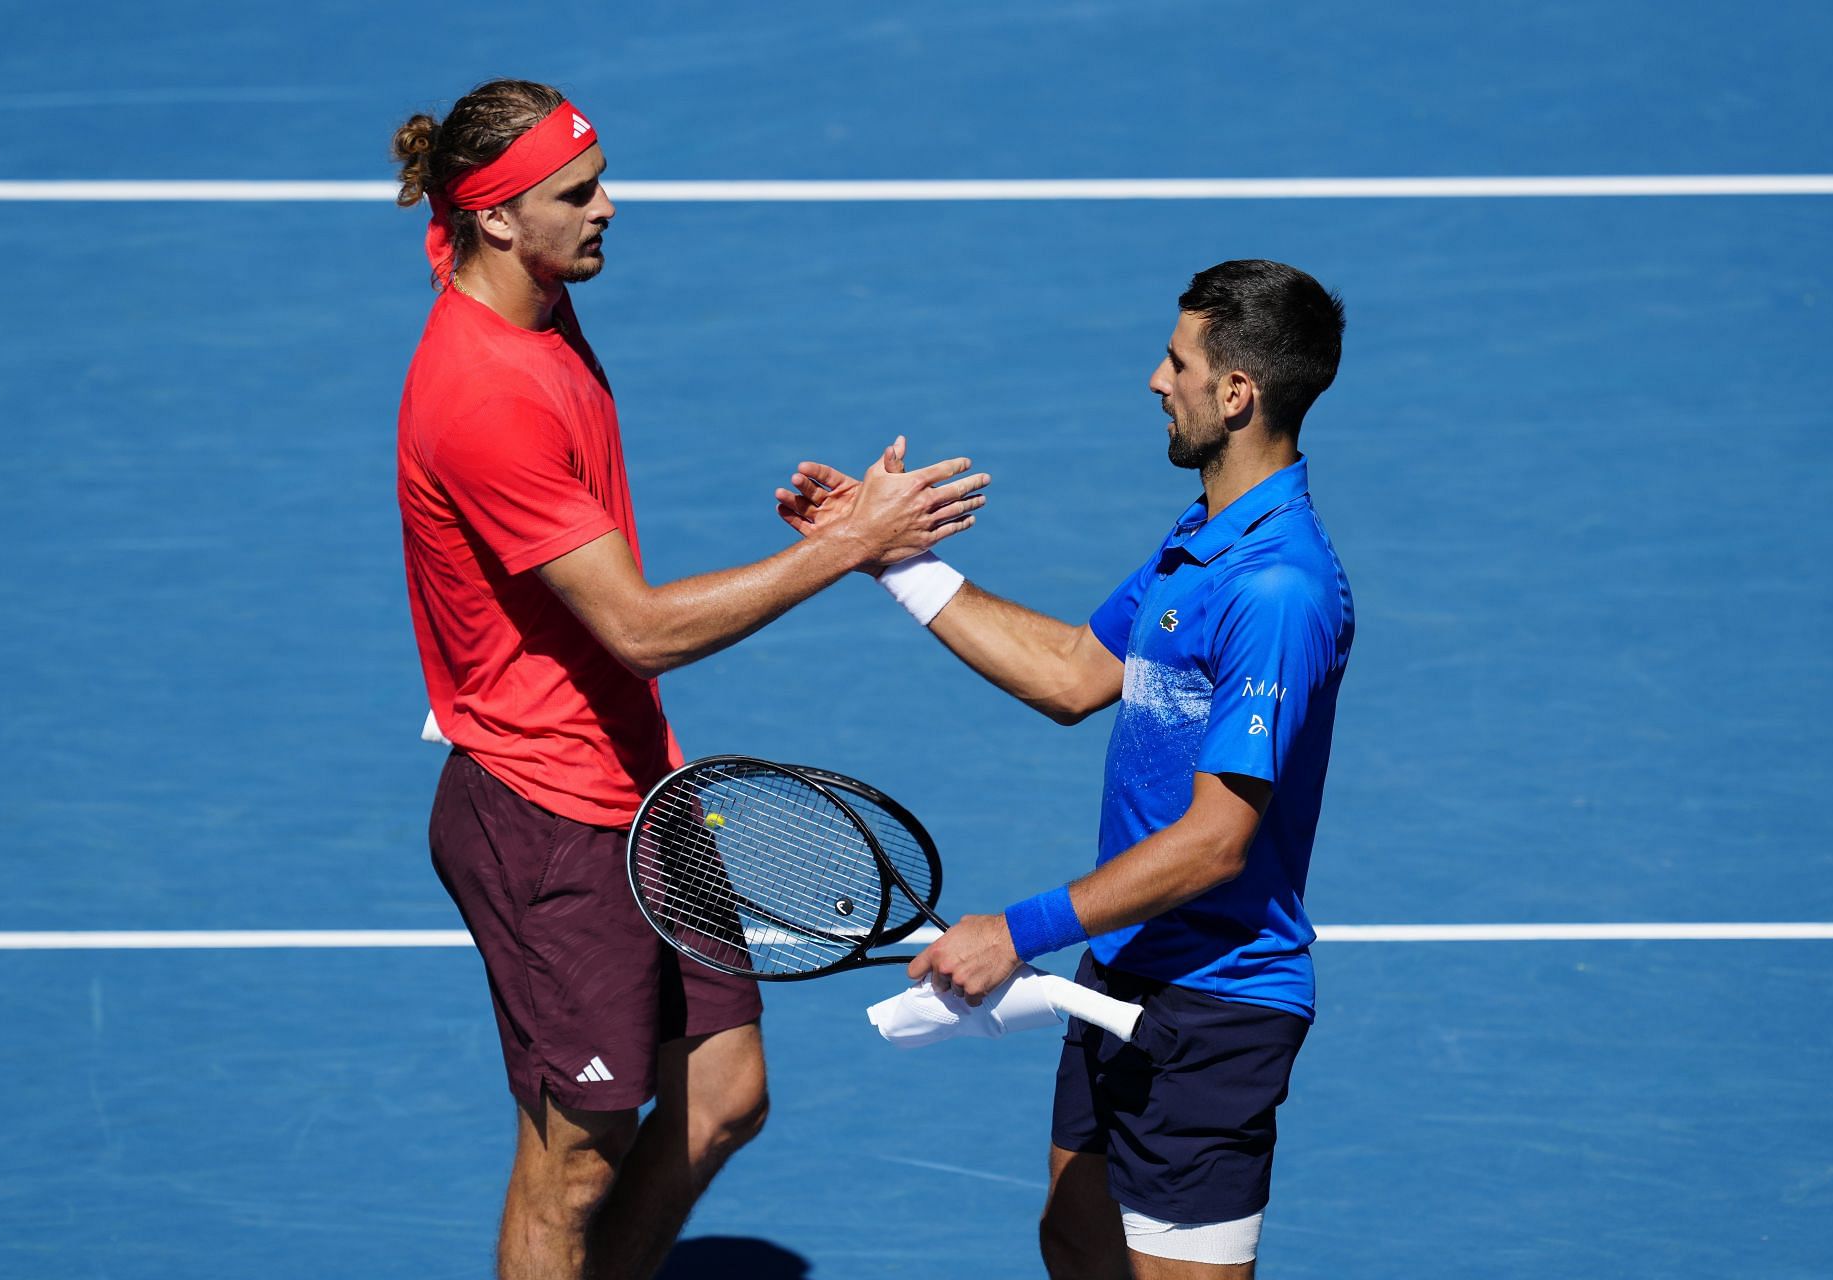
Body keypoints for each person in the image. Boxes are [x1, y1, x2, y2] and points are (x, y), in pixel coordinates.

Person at [390, 79, 988, 1280]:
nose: (611, 205)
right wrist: (846, 544)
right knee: (573, 1165)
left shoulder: (533, 290)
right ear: (498, 218)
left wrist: (822, 533)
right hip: (545, 815)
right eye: (579, 192)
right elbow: (643, 631)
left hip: (638, 782)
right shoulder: (485, 394)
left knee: (721, 1094)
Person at [778, 260, 1351, 1278]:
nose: (1153, 379)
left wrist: (1017, 928)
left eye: (1178, 361)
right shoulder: (1205, 540)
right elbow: (1070, 672)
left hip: (1216, 1008)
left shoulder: (1278, 589)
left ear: (1236, 393)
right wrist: (884, 556)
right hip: (1125, 967)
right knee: (1077, 1243)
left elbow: (1220, 841)